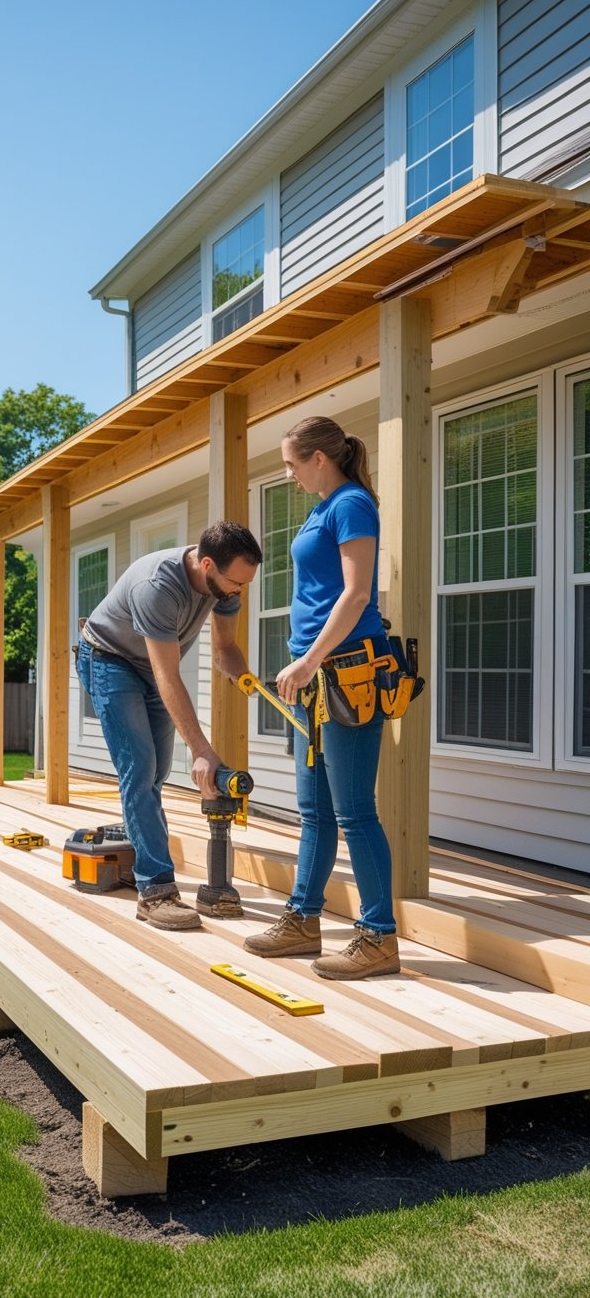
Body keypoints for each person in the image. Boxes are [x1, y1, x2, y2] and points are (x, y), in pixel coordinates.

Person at [243, 415, 400, 979]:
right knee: (314, 812)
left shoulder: (352, 504)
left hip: (345, 675)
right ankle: (303, 921)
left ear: (319, 458)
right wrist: (306, 666)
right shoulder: (321, 507)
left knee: (355, 812)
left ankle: (379, 937)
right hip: (314, 682)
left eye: (291, 463)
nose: (287, 473)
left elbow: (358, 594)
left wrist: (309, 660)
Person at [77, 521, 262, 932]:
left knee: (156, 773)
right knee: (140, 770)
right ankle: (155, 892)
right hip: (109, 659)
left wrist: (248, 680)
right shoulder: (157, 585)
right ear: (207, 563)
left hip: (150, 667)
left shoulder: (226, 586)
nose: (239, 592)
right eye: (236, 582)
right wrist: (201, 749)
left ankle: (143, 853)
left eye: (246, 584)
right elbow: (167, 675)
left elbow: (225, 649)